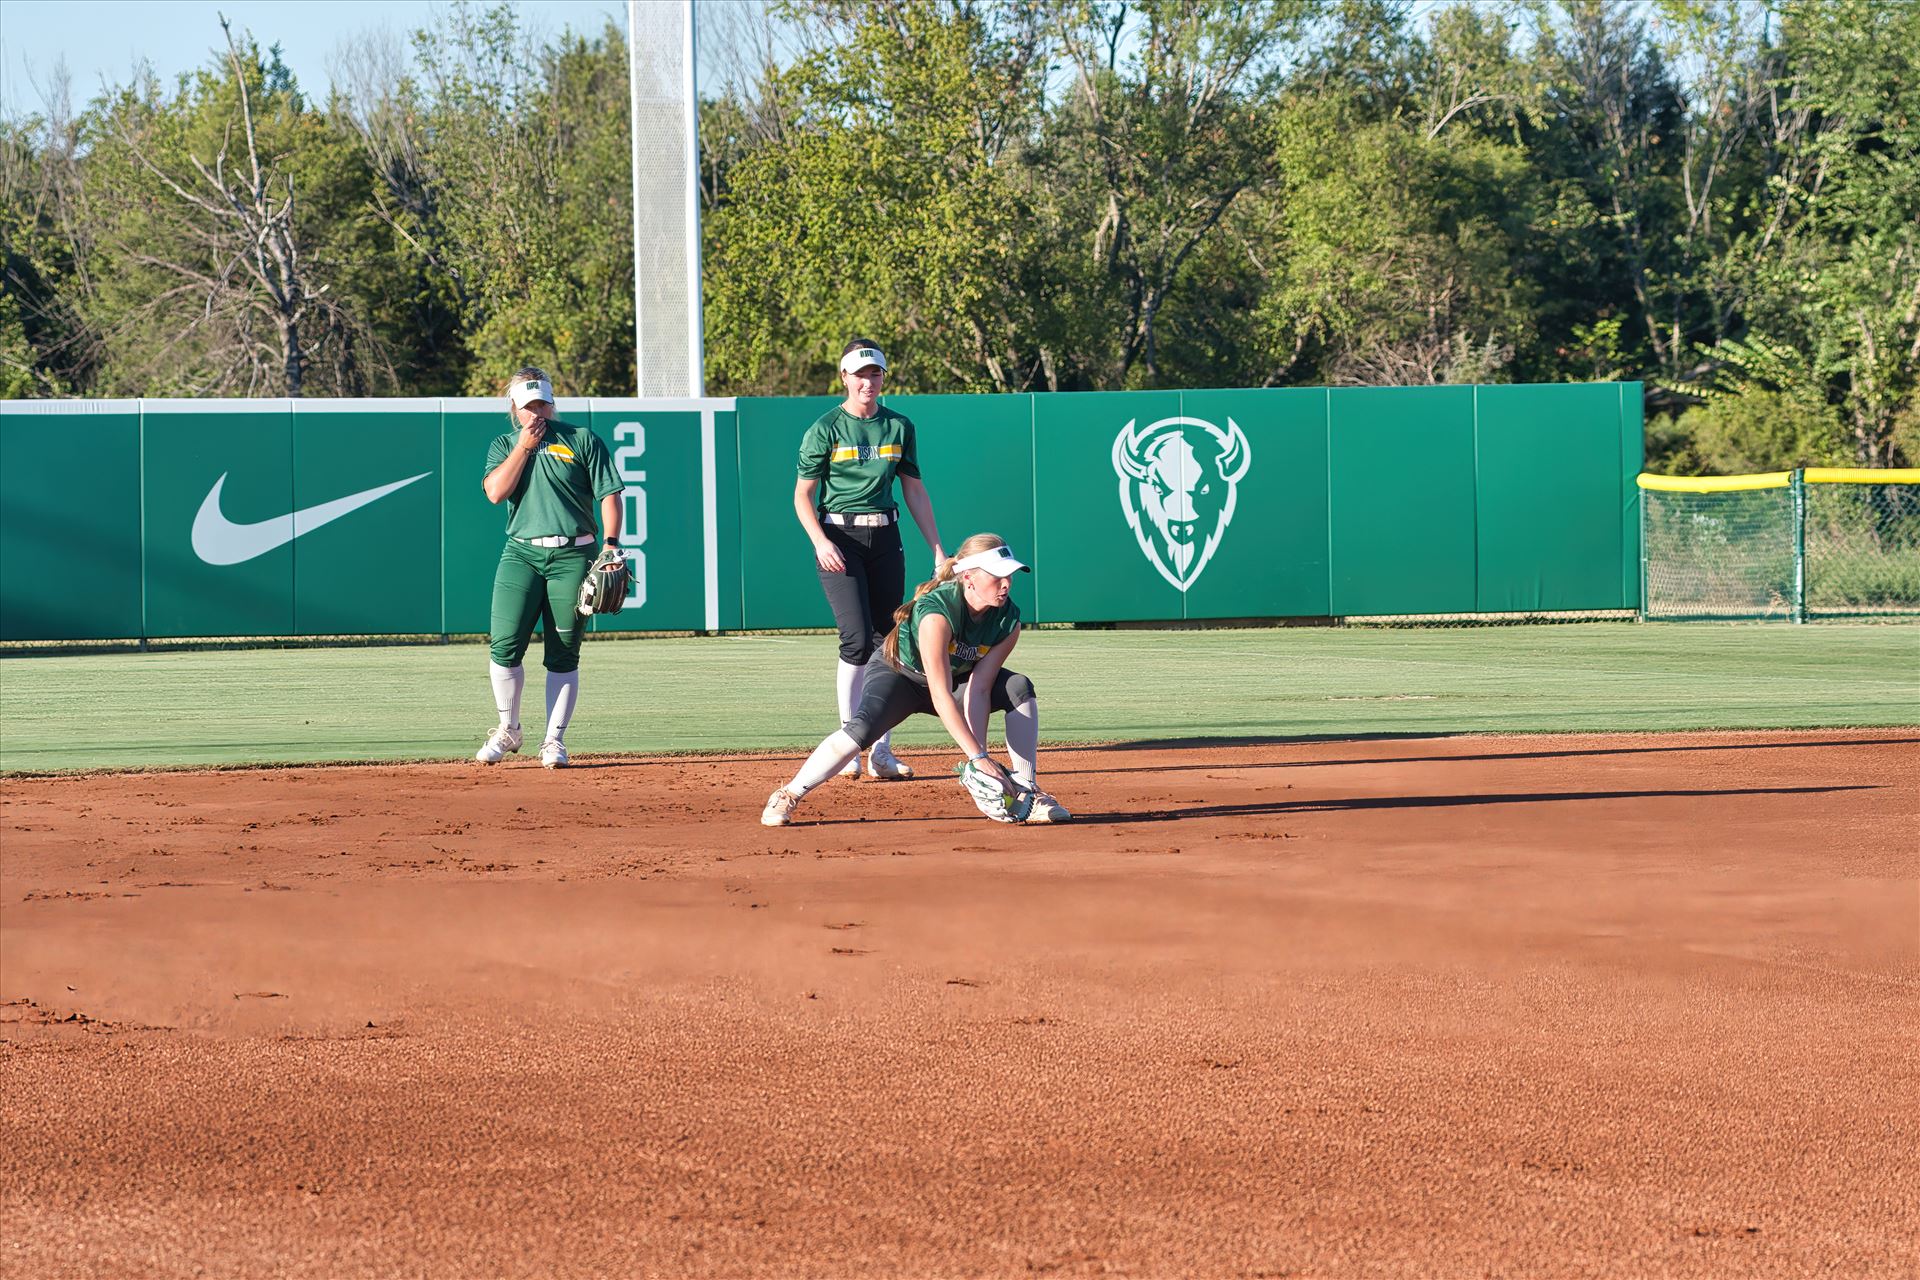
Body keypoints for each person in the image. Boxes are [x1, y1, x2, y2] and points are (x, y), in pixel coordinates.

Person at [761, 533, 1069, 827]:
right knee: (862, 729)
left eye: (1010, 575)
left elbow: (980, 688)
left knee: (1017, 687)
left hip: (958, 682)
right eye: (996, 575)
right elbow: (938, 691)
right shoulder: (937, 612)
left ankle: (1028, 791)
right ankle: (788, 793)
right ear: (968, 577)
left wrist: (980, 758)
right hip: (900, 676)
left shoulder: (1007, 620)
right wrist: (978, 757)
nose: (1006, 584)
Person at [794, 338, 944, 782]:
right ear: (844, 377)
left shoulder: (899, 426)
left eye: (875, 373)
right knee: (857, 641)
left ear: (883, 376)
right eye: (859, 374)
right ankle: (849, 744)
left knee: (888, 641)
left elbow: (913, 489)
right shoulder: (825, 428)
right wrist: (820, 541)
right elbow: (803, 495)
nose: (867, 381)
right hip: (839, 537)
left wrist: (937, 547)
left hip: (885, 535)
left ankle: (882, 751)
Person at [474, 367, 623, 769]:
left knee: (564, 651)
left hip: (574, 554)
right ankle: (509, 729)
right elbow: (495, 493)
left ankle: (553, 740)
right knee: (504, 646)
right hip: (522, 552)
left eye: (541, 403)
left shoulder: (581, 439)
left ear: (552, 403)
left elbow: (610, 495)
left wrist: (610, 546)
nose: (536, 412)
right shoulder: (504, 444)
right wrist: (522, 447)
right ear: (515, 409)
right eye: (527, 406)